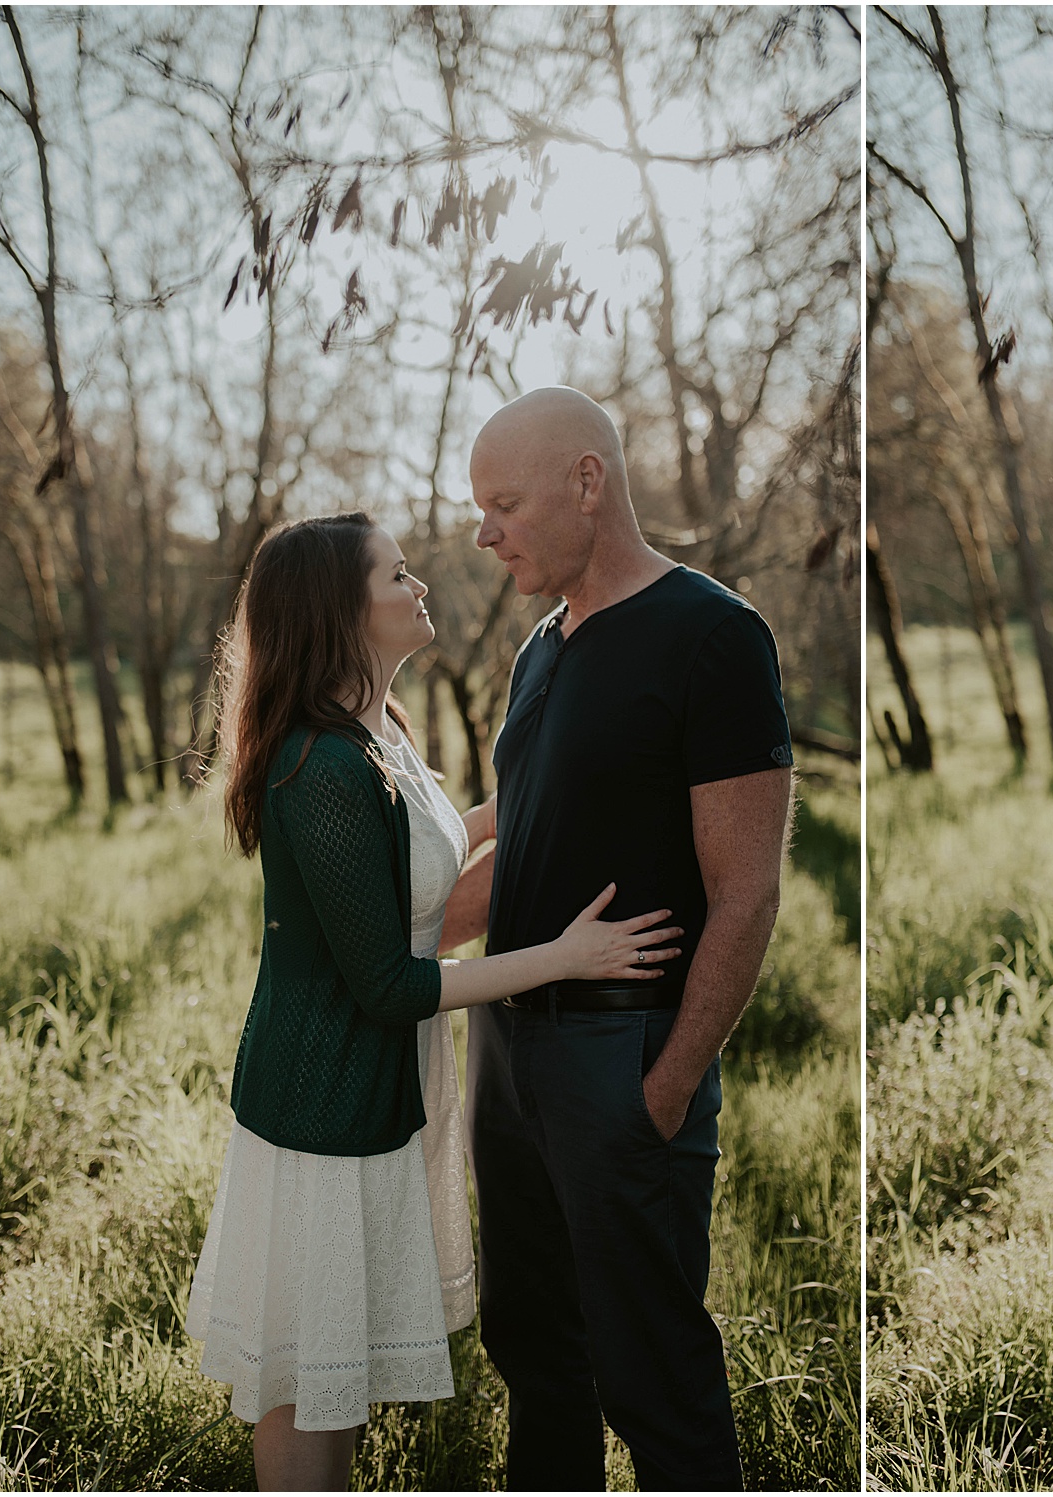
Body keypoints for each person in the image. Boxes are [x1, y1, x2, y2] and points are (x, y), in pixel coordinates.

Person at [185, 512, 684, 1492]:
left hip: (381, 1091)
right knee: (305, 1374)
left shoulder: (376, 731)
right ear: (341, 610)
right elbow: (387, 987)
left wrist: (542, 794)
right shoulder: (319, 766)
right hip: (325, 1100)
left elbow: (416, 859)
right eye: (397, 575)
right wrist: (562, 956)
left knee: (338, 1367)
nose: (419, 588)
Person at [439, 387, 794, 1490]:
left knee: (651, 1375)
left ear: (586, 482)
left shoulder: (712, 636)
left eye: (503, 503)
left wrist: (670, 1080)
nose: (482, 532)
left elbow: (745, 891)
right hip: (505, 1049)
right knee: (534, 1358)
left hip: (621, 1052)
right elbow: (524, 856)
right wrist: (367, 936)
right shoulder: (536, 652)